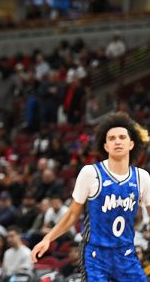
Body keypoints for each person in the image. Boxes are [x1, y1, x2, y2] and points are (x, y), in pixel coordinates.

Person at [32, 112, 150, 281]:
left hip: (126, 253)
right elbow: (72, 215)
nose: (117, 141)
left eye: (122, 137)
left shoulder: (142, 177)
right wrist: (48, 238)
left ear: (131, 144)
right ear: (106, 146)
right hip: (96, 255)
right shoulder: (91, 173)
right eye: (112, 138)